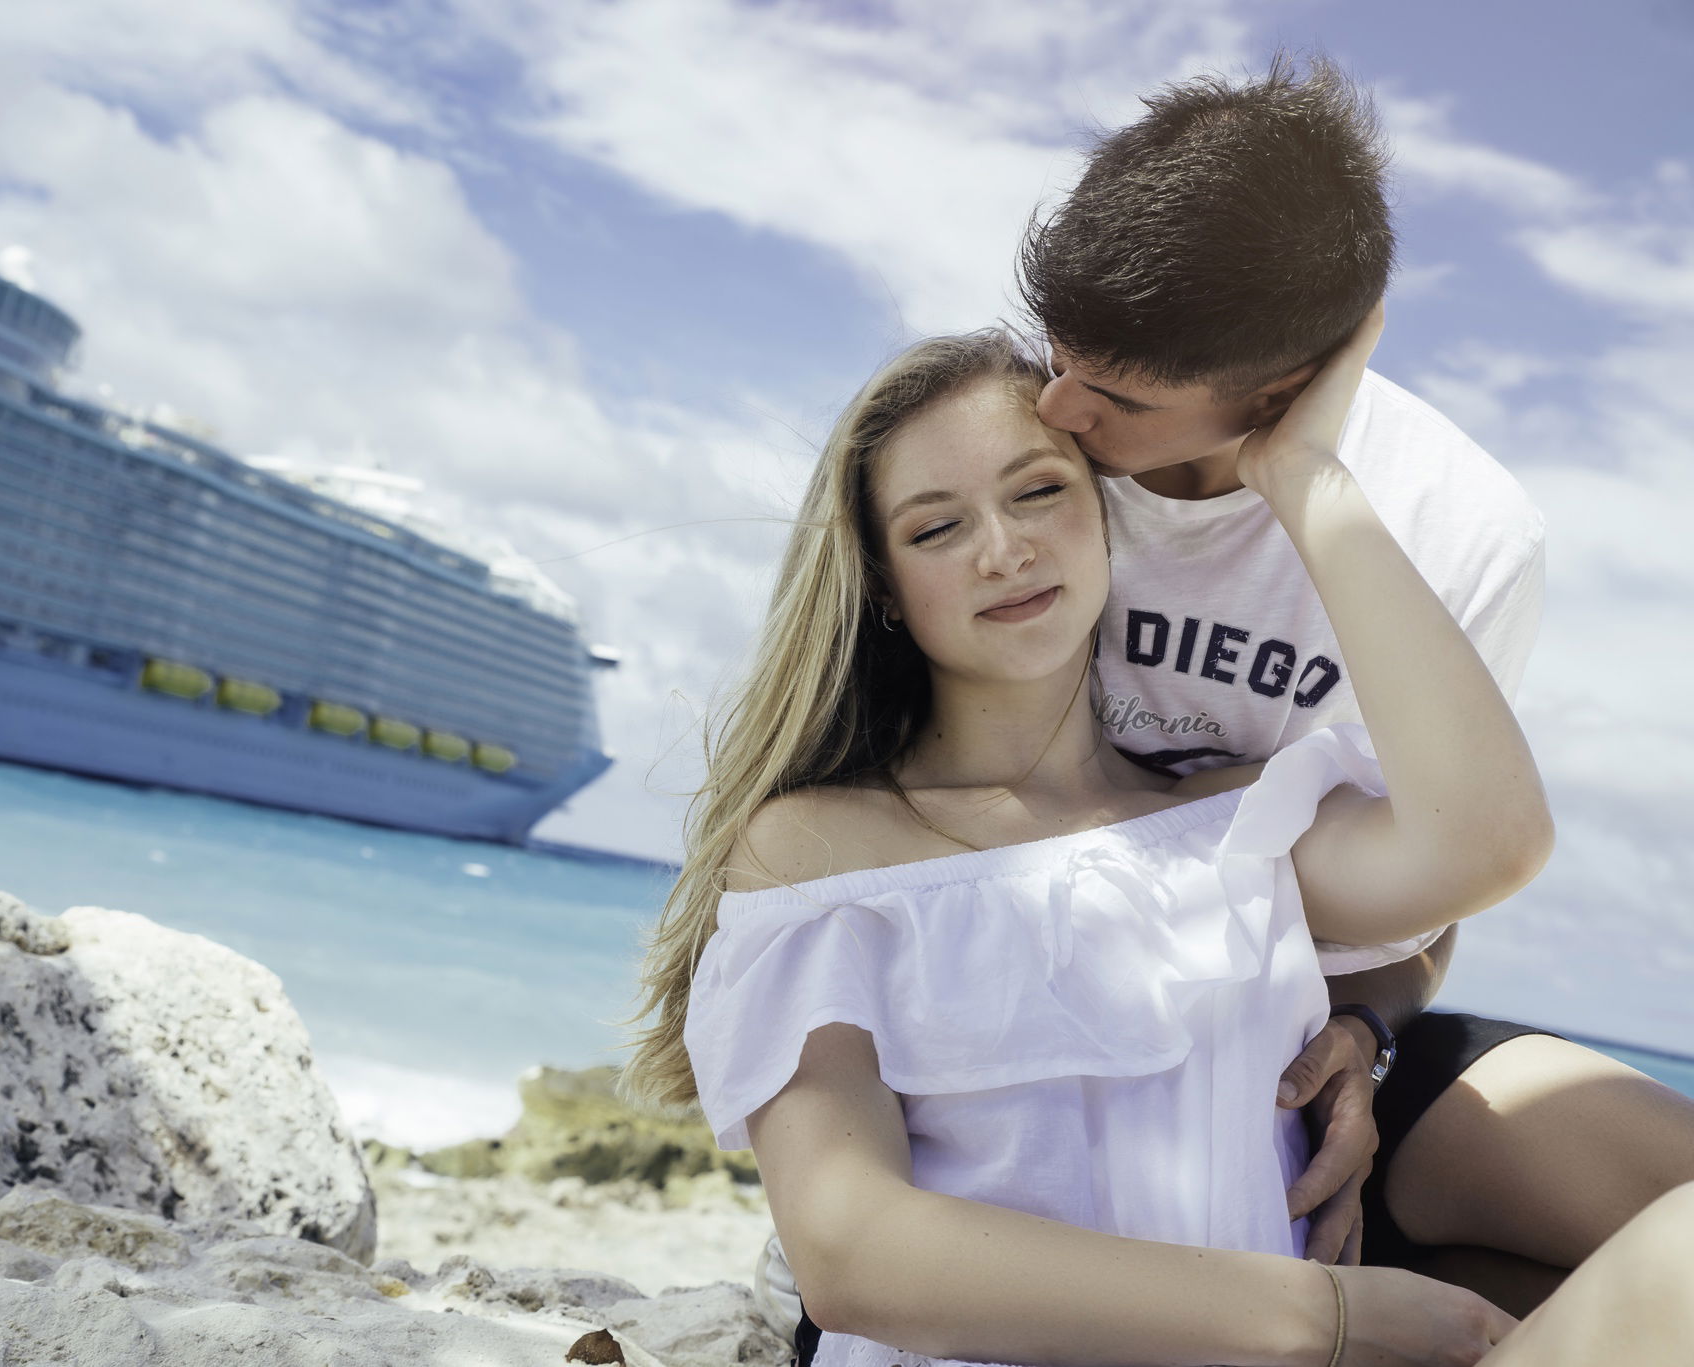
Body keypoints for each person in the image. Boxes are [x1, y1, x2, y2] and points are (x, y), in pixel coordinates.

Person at [618, 312, 1694, 1365]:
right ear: (886, 588)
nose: (1004, 549)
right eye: (935, 528)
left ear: (1109, 521)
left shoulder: (1244, 818)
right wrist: (1326, 1315)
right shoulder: (818, 845)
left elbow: (1489, 844)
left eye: (1040, 491)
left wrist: (1306, 479)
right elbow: (852, 1250)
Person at [1016, 52, 1694, 1313]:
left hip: (1303, 1038)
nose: (1056, 408)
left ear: (1280, 389)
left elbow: (1429, 898)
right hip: (1041, 1018)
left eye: (1115, 396)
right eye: (1054, 350)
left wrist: (1363, 1041)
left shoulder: (1457, 522)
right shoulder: (1000, 454)